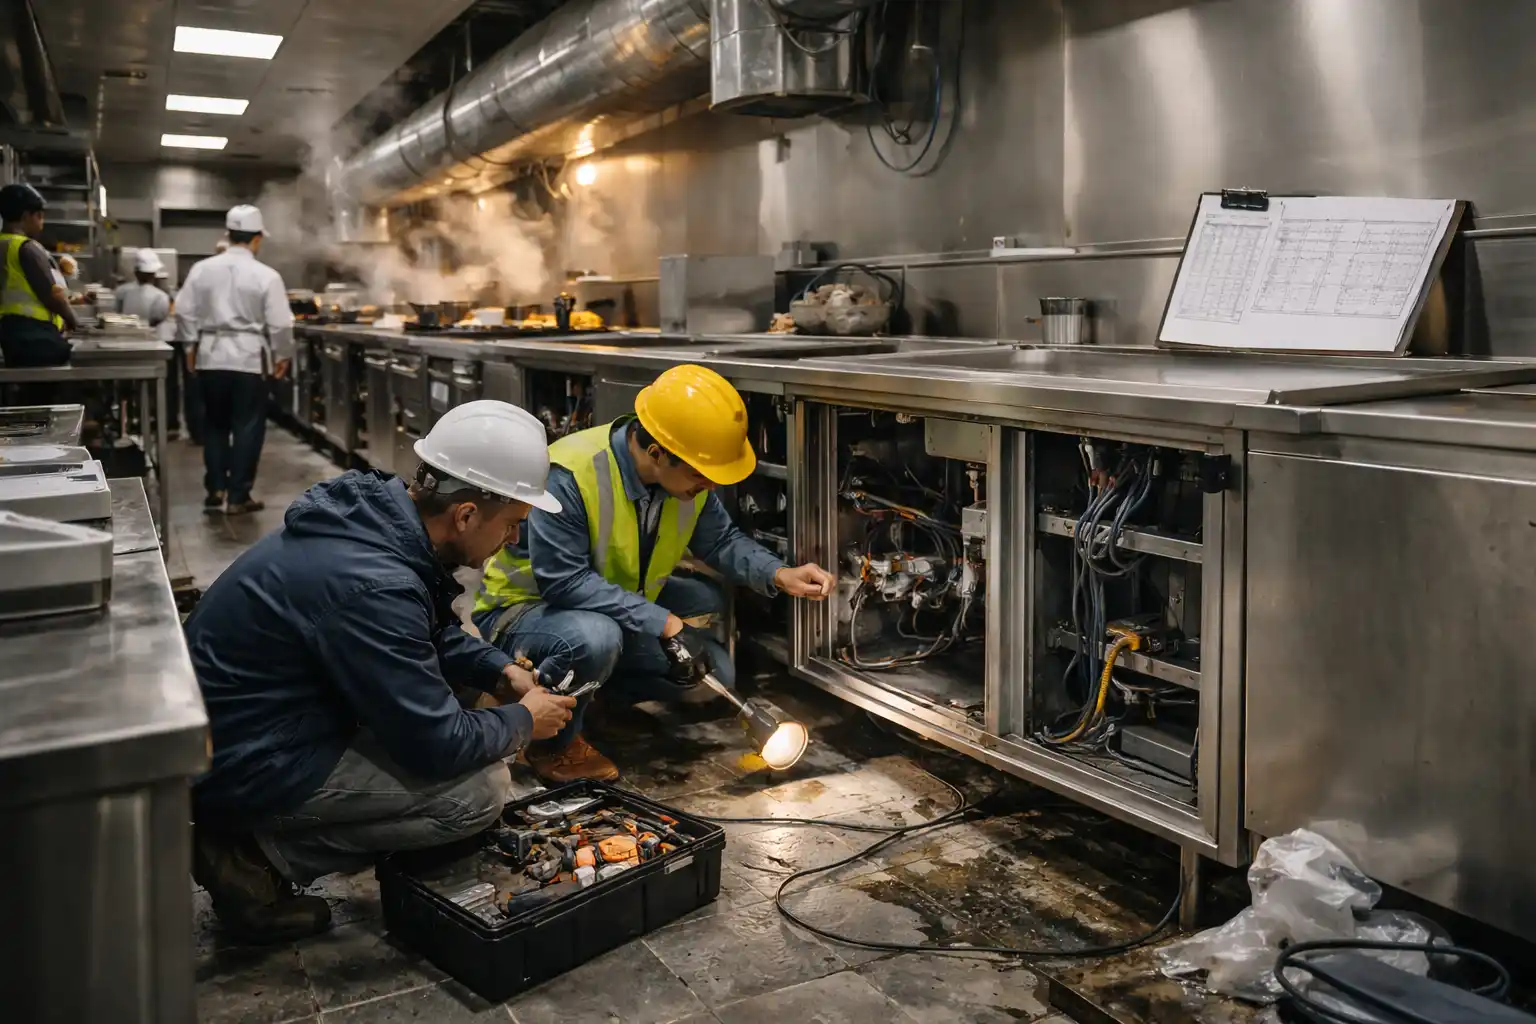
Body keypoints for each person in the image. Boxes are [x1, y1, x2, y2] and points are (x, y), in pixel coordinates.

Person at [185, 400, 578, 942]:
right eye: (512, 524)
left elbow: (427, 633)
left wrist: (499, 671)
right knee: (477, 794)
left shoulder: (380, 524)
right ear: (465, 514)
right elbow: (436, 743)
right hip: (243, 759)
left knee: (461, 688)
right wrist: (523, 721)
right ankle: (251, 857)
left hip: (261, 721)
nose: (513, 541)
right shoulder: (373, 583)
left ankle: (259, 839)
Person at [472, 364, 837, 784]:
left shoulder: (685, 481)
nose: (709, 486)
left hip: (604, 605)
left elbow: (719, 542)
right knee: (596, 638)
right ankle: (550, 743)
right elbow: (564, 581)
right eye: (701, 474)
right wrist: (663, 623)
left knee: (713, 669)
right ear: (657, 452)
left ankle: (591, 696)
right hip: (523, 611)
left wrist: (779, 574)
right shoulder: (570, 475)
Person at [175, 205, 294, 514]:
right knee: (248, 426)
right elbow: (281, 323)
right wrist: (283, 354)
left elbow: (184, 310)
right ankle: (238, 496)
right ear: (257, 239)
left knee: (215, 424)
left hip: (210, 356)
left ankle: (215, 488)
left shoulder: (202, 269)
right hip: (248, 360)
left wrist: (190, 345)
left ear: (227, 235)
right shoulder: (267, 275)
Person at [0, 183, 78, 369]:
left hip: (10, 334)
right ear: (25, 216)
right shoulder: (26, 247)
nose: (42, 223)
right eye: (39, 216)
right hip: (35, 336)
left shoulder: (3, 244)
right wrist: (74, 320)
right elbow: (52, 294)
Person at [114, 250, 172, 330]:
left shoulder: (121, 291)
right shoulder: (161, 296)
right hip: (150, 338)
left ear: (136, 272)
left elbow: (116, 314)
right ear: (154, 274)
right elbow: (158, 319)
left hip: (124, 335)